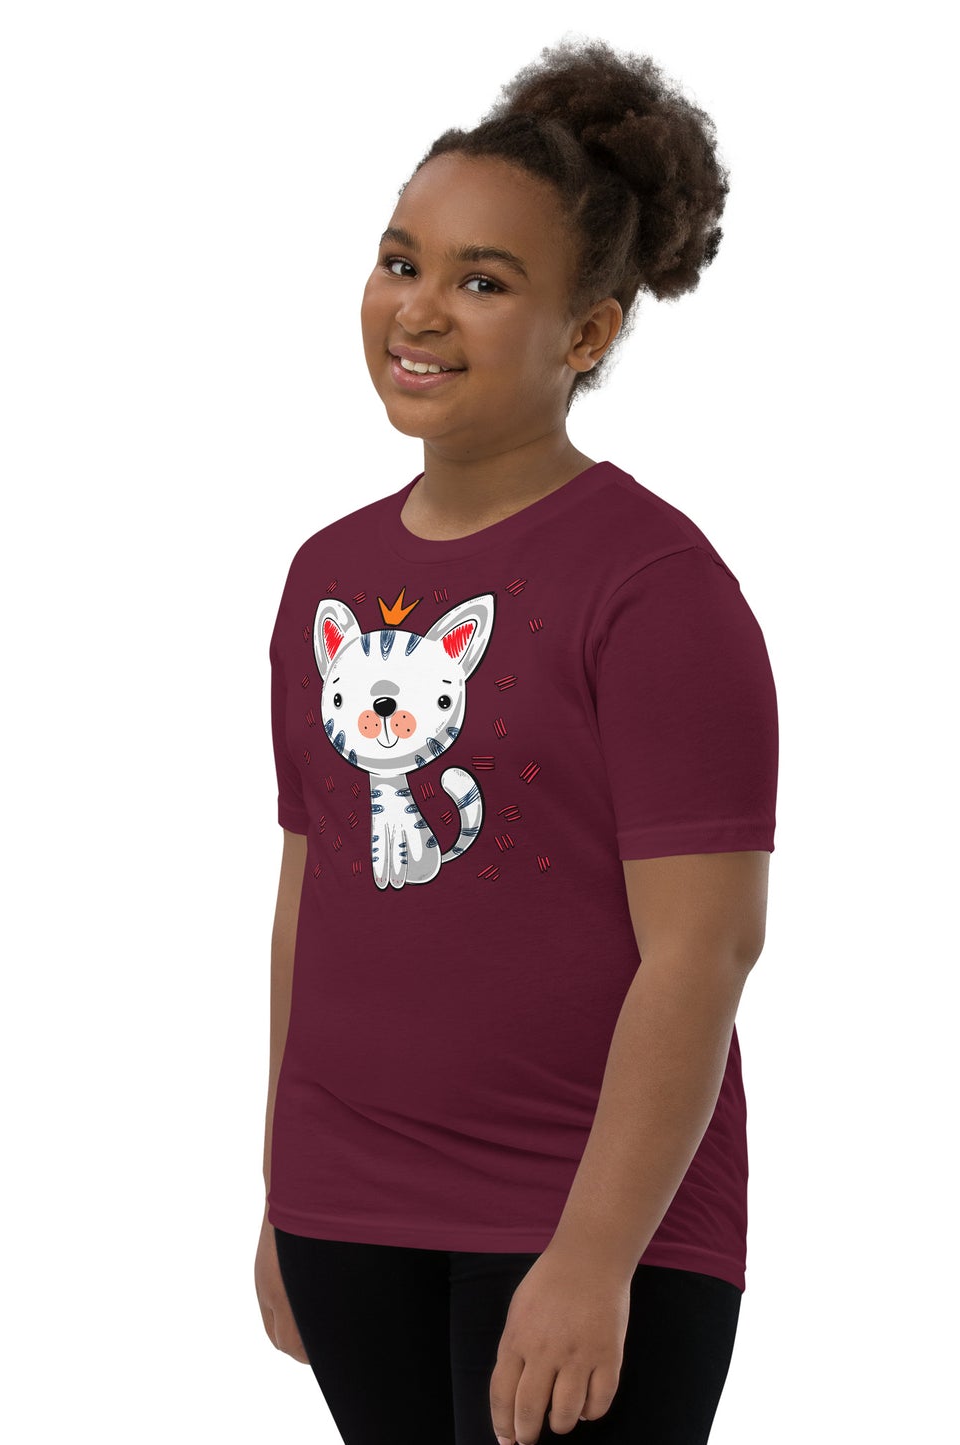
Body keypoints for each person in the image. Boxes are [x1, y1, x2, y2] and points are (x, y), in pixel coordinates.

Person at [254, 37, 779, 1445]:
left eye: (484, 281)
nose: (419, 310)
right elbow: (312, 891)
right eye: (401, 261)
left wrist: (594, 1256)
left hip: (582, 1216)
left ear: (587, 334)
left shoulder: (655, 588)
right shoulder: (325, 575)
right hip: (350, 1210)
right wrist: (284, 1188)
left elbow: (705, 950)